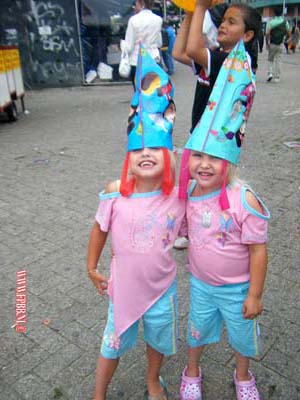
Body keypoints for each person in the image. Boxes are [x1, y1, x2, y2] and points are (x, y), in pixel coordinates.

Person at [87, 45, 185, 400]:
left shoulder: (178, 198)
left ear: (168, 155)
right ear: (128, 159)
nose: (145, 154)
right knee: (111, 344)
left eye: (153, 148)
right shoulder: (115, 194)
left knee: (158, 338)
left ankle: (153, 379)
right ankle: (99, 393)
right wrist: (91, 266)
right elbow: (99, 229)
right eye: (138, 149)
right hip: (123, 290)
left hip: (162, 291)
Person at [178, 23, 270, 399]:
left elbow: (258, 249)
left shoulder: (243, 199)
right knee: (196, 330)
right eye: (197, 155)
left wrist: (256, 295)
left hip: (238, 289)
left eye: (213, 158)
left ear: (229, 163)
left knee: (243, 336)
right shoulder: (191, 191)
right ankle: (192, 370)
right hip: (200, 284)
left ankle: (243, 376)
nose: (203, 164)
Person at [172, 0, 261, 250]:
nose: (222, 25)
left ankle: (206, 231)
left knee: (203, 186)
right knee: (196, 184)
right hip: (201, 139)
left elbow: (191, 48)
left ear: (247, 35)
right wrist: (190, 11)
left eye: (231, 22)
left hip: (211, 146)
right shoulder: (218, 57)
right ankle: (195, 228)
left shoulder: (228, 62)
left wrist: (199, 6)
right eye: (223, 20)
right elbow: (179, 52)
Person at [123, 0, 163, 89]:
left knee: (139, 92)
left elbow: (129, 46)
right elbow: (159, 43)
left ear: (140, 3)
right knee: (152, 92)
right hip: (153, 60)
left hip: (136, 61)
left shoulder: (133, 20)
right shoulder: (158, 20)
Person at [265, 6, 290, 83]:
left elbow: (267, 34)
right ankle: (277, 77)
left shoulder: (271, 22)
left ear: (274, 14)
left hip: (272, 43)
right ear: (281, 13)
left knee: (270, 59)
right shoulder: (285, 22)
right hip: (280, 43)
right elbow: (288, 32)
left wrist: (267, 43)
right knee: (278, 60)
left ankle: (270, 74)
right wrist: (285, 39)